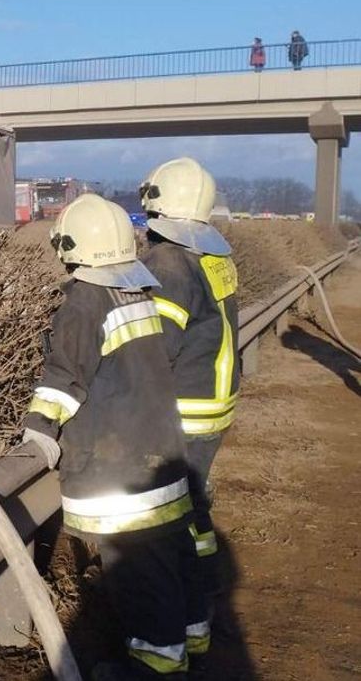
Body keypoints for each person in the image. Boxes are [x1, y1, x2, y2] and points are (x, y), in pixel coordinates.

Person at [22, 194, 201, 680]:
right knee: (164, 565)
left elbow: (63, 378)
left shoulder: (84, 301)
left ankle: (154, 668)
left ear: (71, 247)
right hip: (158, 453)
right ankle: (180, 648)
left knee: (139, 581)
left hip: (121, 474)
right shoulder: (137, 294)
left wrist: (37, 432)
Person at [139, 157, 239, 659]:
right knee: (194, 518)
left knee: (163, 526)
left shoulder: (168, 265)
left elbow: (154, 350)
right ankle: (198, 627)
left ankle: (162, 649)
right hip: (213, 408)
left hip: (183, 411)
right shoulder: (213, 257)